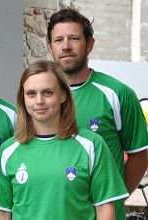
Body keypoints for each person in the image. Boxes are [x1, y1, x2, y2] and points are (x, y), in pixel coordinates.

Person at [0, 60, 128, 220]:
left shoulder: (92, 145)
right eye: (31, 93)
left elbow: (105, 208)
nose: (39, 100)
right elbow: (2, 212)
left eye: (48, 92)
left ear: (63, 95)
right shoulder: (8, 150)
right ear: (23, 98)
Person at [47, 7, 148, 219]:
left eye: (74, 38)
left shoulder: (118, 94)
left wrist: (114, 198)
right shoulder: (37, 97)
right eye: (58, 40)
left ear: (90, 44)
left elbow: (139, 156)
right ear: (50, 46)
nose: (66, 46)